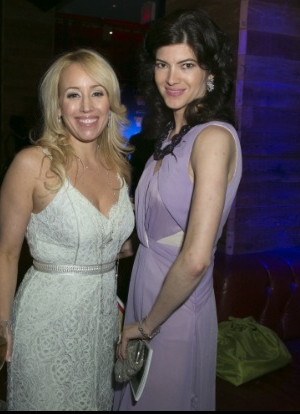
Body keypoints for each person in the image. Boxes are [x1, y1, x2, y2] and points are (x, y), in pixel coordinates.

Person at [0, 48, 135, 410]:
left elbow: (115, 241)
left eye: (97, 92)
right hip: (48, 323)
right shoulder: (32, 164)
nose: (86, 106)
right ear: (57, 106)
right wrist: (1, 325)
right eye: (72, 94)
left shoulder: (119, 166)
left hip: (102, 323)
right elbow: (6, 252)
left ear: (111, 101)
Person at [113, 9, 243, 411]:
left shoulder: (214, 138)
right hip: (145, 288)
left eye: (186, 65)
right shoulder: (169, 133)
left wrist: (146, 326)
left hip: (173, 307)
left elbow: (197, 257)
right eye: (162, 64)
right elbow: (161, 224)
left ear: (211, 72)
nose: (171, 78)